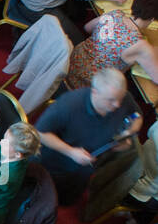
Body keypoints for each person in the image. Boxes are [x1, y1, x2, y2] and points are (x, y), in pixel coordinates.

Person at [36, 67, 141, 205]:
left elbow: (137, 116)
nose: (117, 105)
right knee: (46, 201)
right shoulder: (68, 105)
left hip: (88, 167)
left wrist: (129, 133)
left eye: (120, 99)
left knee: (68, 200)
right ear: (94, 92)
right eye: (111, 100)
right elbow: (40, 133)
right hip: (58, 166)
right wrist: (71, 152)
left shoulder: (122, 97)